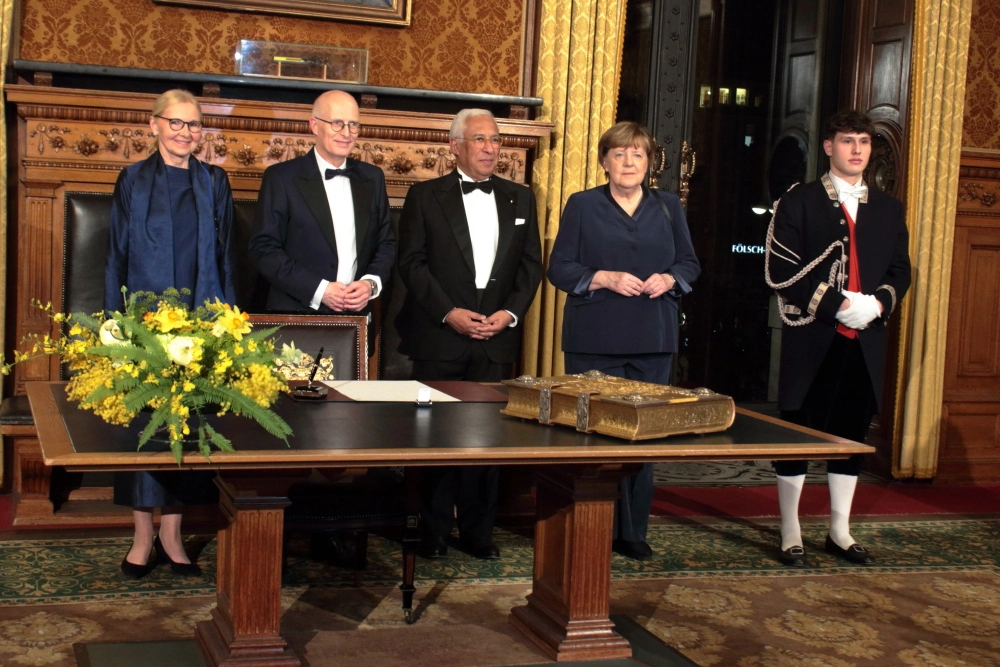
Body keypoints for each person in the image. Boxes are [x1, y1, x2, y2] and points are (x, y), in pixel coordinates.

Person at [547, 121, 700, 561]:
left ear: (650, 163)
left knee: (643, 439)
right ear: (604, 161)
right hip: (594, 337)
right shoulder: (582, 204)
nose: (629, 162)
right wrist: (602, 277)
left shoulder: (669, 206)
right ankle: (589, 529)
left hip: (653, 337)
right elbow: (559, 267)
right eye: (619, 154)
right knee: (591, 438)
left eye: (637, 154)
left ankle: (632, 532)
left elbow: (689, 263)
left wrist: (671, 278)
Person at [764, 110, 911, 567]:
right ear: (829, 147)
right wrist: (836, 305)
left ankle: (839, 532)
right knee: (798, 433)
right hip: (814, 336)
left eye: (864, 142)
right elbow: (781, 272)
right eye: (848, 141)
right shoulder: (800, 202)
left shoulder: (889, 208)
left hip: (864, 339)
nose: (857, 150)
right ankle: (790, 530)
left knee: (849, 433)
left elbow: (900, 270)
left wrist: (878, 304)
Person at [396, 108, 543, 560]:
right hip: (441, 336)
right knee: (435, 439)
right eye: (480, 139)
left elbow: (531, 266)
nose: (490, 148)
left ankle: (479, 534)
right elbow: (411, 264)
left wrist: (509, 315)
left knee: (488, 440)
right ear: (455, 145)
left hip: (495, 338)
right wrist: (448, 313)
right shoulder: (424, 196)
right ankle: (433, 535)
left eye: (495, 140)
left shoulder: (522, 197)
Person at [105, 89, 237, 578]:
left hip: (200, 320)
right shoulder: (133, 179)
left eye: (194, 125)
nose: (186, 133)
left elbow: (225, 256)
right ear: (154, 124)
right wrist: (115, 324)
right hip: (143, 321)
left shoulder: (214, 180)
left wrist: (228, 325)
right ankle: (141, 538)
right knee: (142, 429)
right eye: (177, 123)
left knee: (188, 425)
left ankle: (172, 535)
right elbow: (116, 253)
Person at [249, 90, 395, 316]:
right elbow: (264, 249)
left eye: (353, 124)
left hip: (356, 316)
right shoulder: (281, 177)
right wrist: (320, 290)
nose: (346, 133)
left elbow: (386, 242)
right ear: (314, 125)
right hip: (295, 313)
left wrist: (370, 283)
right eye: (337, 123)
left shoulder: (373, 177)